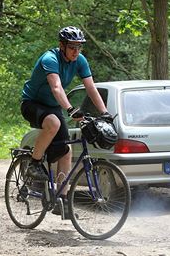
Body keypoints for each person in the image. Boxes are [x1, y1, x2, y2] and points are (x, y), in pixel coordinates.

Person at [20, 26, 111, 218]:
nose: (76, 51)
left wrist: (105, 112)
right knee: (53, 123)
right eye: (72, 47)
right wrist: (70, 108)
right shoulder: (50, 59)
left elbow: (91, 88)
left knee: (66, 150)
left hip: (52, 107)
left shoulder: (80, 61)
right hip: (32, 103)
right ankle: (34, 164)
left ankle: (61, 200)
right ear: (62, 46)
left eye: (79, 47)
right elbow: (56, 87)